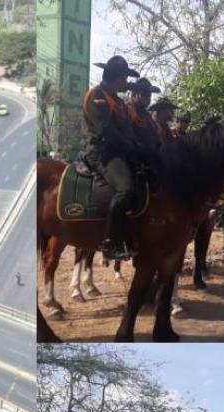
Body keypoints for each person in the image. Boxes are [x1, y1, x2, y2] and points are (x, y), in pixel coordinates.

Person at [81, 55, 142, 261]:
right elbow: (106, 130)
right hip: (103, 153)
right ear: (116, 78)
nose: (127, 83)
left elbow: (127, 132)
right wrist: (131, 147)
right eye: (125, 78)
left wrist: (138, 148)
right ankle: (110, 242)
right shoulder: (96, 96)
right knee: (126, 188)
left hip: (121, 151)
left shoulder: (118, 101)